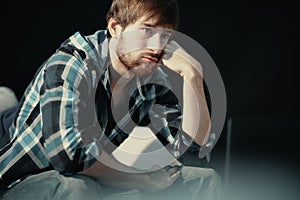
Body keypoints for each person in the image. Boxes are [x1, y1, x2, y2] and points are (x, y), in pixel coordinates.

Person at [0, 0, 222, 199]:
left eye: (165, 36)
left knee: (203, 179)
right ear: (116, 27)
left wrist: (193, 76)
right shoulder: (74, 62)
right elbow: (67, 155)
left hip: (93, 175)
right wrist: (134, 178)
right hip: (24, 181)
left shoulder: (152, 78)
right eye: (147, 30)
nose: (157, 47)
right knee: (76, 188)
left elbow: (194, 153)